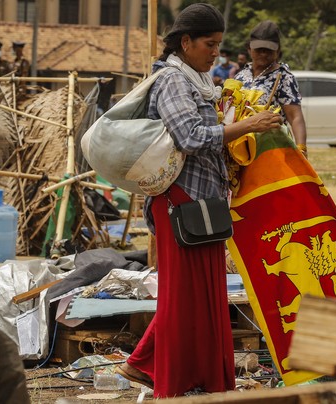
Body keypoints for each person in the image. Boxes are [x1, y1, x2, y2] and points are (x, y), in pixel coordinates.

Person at [113, 3, 282, 398]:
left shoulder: (200, 82)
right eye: (210, 44)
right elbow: (189, 136)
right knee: (183, 297)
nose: (215, 54)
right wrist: (246, 124)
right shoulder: (173, 80)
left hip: (202, 200)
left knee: (203, 298)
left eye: (220, 45)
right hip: (179, 203)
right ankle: (166, 379)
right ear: (185, 42)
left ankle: (161, 369)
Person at [234, 20, 308, 157]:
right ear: (249, 49)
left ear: (278, 51)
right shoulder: (241, 76)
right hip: (240, 149)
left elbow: (295, 116)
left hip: (270, 148)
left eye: (268, 50)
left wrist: (301, 148)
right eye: (259, 49)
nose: (263, 53)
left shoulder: (283, 77)